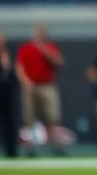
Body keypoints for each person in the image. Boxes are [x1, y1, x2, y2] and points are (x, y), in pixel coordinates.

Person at [15, 24, 64, 156]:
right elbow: (19, 66)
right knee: (29, 117)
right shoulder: (26, 48)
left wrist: (45, 51)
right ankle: (30, 146)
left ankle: (55, 143)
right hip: (31, 86)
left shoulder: (50, 47)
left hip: (47, 85)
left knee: (53, 115)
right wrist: (25, 81)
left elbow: (59, 62)